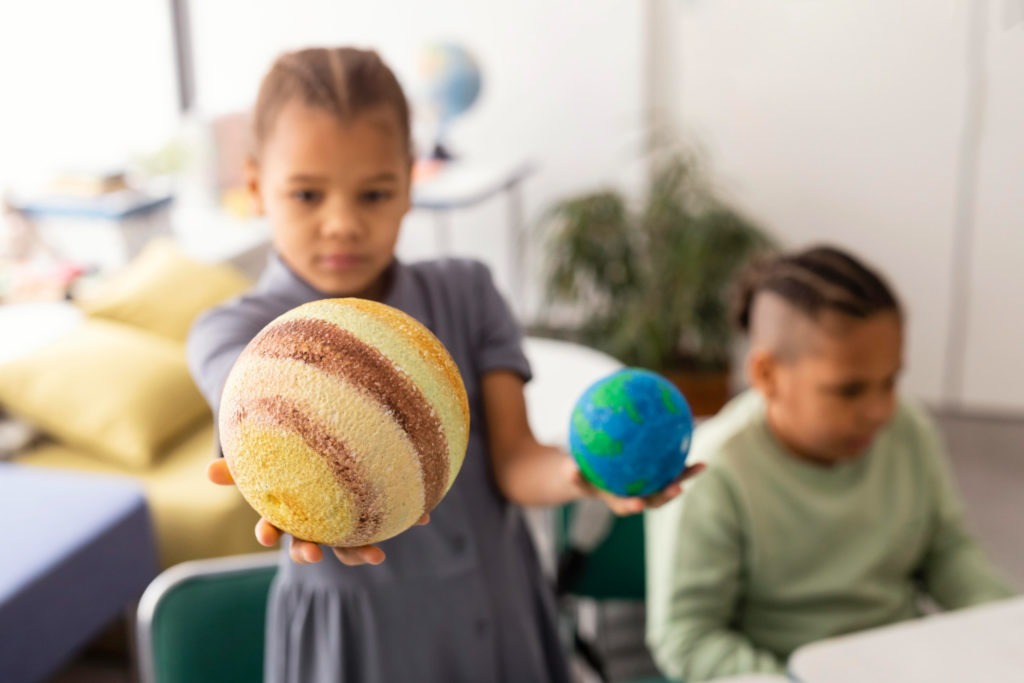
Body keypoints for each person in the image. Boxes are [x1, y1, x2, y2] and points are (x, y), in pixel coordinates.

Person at [187, 46, 698, 683]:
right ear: (257, 188)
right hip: (359, 641)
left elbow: (514, 463)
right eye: (307, 194)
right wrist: (292, 485)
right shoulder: (232, 330)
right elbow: (245, 406)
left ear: (410, 183)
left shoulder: (467, 291)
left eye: (374, 193)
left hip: (500, 603)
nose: (342, 223)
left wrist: (583, 475)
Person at [644, 245, 1015, 681]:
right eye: (850, 390)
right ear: (766, 375)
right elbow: (689, 637)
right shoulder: (715, 470)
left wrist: (1006, 626)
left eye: (891, 381)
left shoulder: (908, 429)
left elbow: (947, 552)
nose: (880, 410)